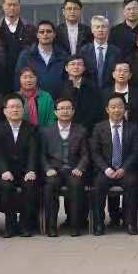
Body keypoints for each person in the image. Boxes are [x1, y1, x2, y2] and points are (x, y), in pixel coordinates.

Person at [0, 95, 41, 237]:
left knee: (30, 185)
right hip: (5, 171)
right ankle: (10, 225)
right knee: (6, 186)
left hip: (25, 171)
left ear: (23, 110)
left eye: (18, 107)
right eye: (12, 107)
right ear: (5, 111)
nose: (15, 110)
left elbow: (33, 152)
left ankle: (25, 225)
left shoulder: (31, 128)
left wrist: (31, 170)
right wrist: (4, 170)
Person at [89, 95, 138, 235]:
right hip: (105, 170)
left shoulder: (133, 128)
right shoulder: (99, 128)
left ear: (125, 109)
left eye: (120, 107)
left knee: (132, 183)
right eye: (113, 107)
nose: (116, 110)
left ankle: (130, 223)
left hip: (126, 170)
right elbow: (95, 152)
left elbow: (135, 152)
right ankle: (98, 224)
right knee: (98, 184)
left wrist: (124, 168)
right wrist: (106, 169)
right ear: (107, 109)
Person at [39, 97, 90, 236]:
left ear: (73, 111)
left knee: (77, 185)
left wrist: (80, 168)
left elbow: (85, 154)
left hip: (73, 169)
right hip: (54, 170)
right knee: (50, 186)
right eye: (61, 109)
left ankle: (75, 226)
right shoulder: (46, 131)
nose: (65, 111)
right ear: (55, 112)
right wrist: (47, 168)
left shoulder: (81, 130)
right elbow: (41, 155)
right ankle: (51, 227)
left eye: (68, 108)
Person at [0, 0, 37, 91]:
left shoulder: (31, 30)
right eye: (9, 5)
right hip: (1, 79)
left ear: (19, 7)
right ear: (3, 6)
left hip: (24, 78)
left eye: (15, 5)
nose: (12, 8)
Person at [14, 20, 67, 96]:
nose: (45, 34)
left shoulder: (63, 55)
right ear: (37, 35)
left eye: (49, 31)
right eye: (42, 32)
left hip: (59, 100)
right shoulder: (26, 55)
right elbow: (18, 79)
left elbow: (67, 80)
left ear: (54, 34)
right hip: (32, 100)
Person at [83, 15, 122, 92]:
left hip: (110, 92)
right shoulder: (84, 51)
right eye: (97, 27)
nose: (100, 30)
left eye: (103, 27)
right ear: (92, 30)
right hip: (88, 92)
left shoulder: (116, 51)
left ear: (108, 30)